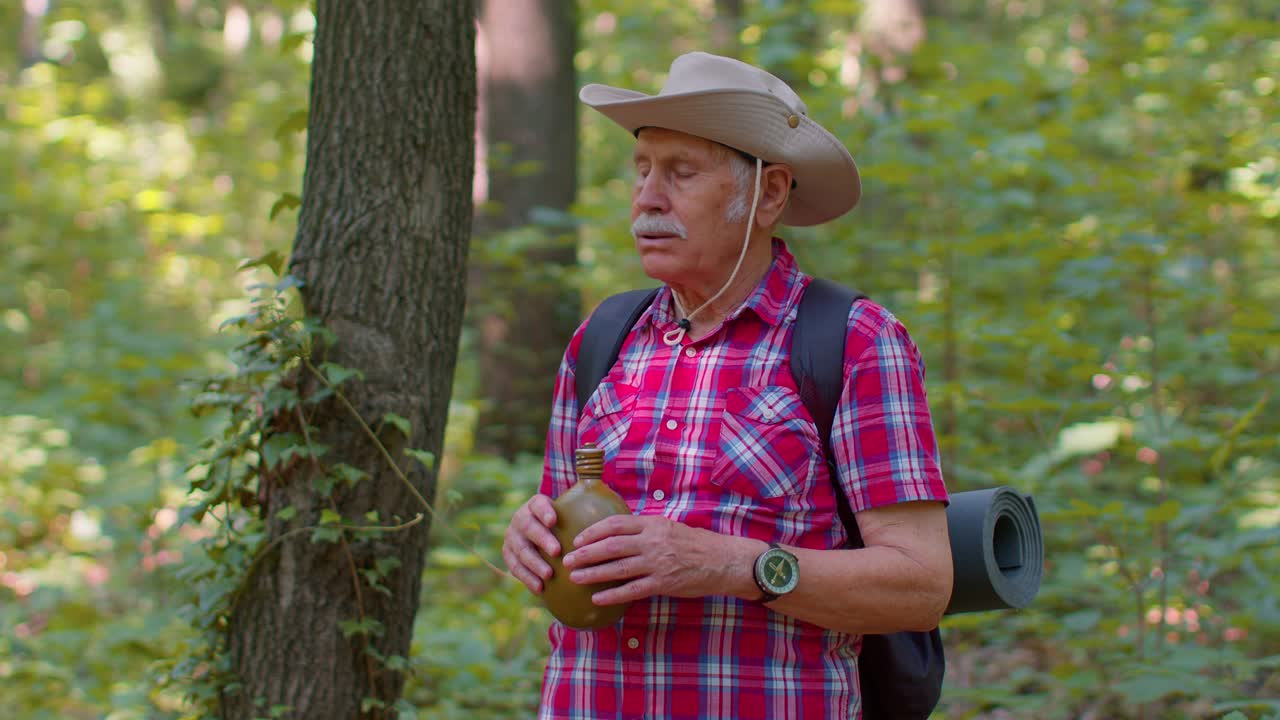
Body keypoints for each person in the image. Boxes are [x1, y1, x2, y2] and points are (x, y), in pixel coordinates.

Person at [501, 51, 952, 720]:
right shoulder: (604, 339)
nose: (648, 196)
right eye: (643, 169)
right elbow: (563, 537)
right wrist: (531, 538)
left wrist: (727, 565)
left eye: (681, 172)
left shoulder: (853, 341)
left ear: (769, 194)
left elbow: (919, 585)